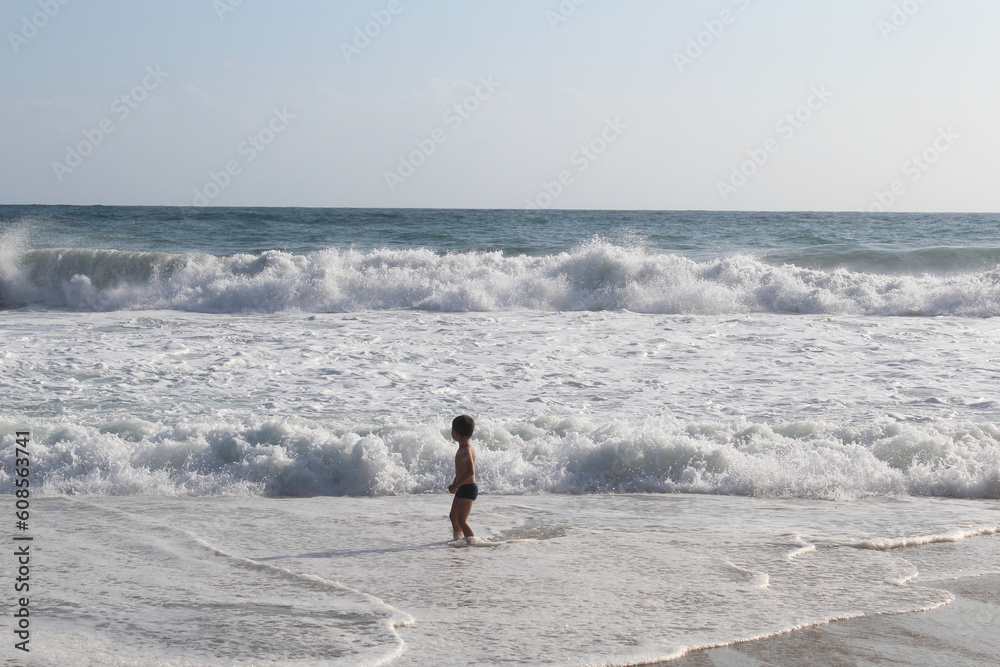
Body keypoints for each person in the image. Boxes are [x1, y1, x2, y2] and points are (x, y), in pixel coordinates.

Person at [448, 414, 477, 543]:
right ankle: (458, 540)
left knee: (461, 520)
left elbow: (471, 471)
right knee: (453, 516)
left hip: (469, 488)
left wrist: (456, 485)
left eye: (452, 429)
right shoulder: (461, 447)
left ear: (457, 432)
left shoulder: (466, 449)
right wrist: (456, 483)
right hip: (462, 486)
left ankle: (472, 542)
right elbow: (461, 471)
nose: (451, 432)